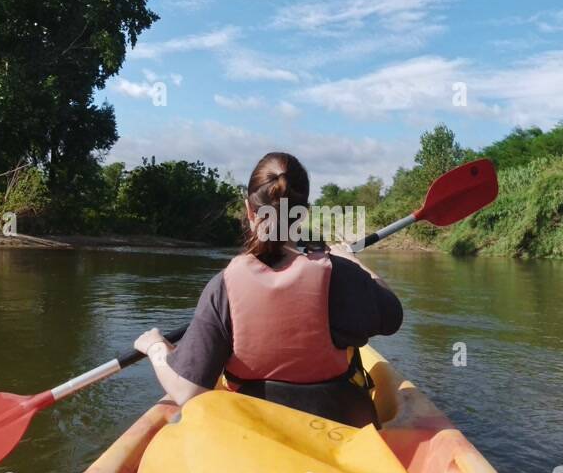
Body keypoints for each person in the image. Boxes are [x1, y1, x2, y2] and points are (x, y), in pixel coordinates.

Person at [133, 152, 402, 428]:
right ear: (303, 214)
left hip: (257, 436)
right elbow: (392, 316)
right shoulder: (342, 275)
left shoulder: (222, 287)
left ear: (249, 210)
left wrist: (155, 346)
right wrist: (353, 262)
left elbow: (188, 392)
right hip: (338, 435)